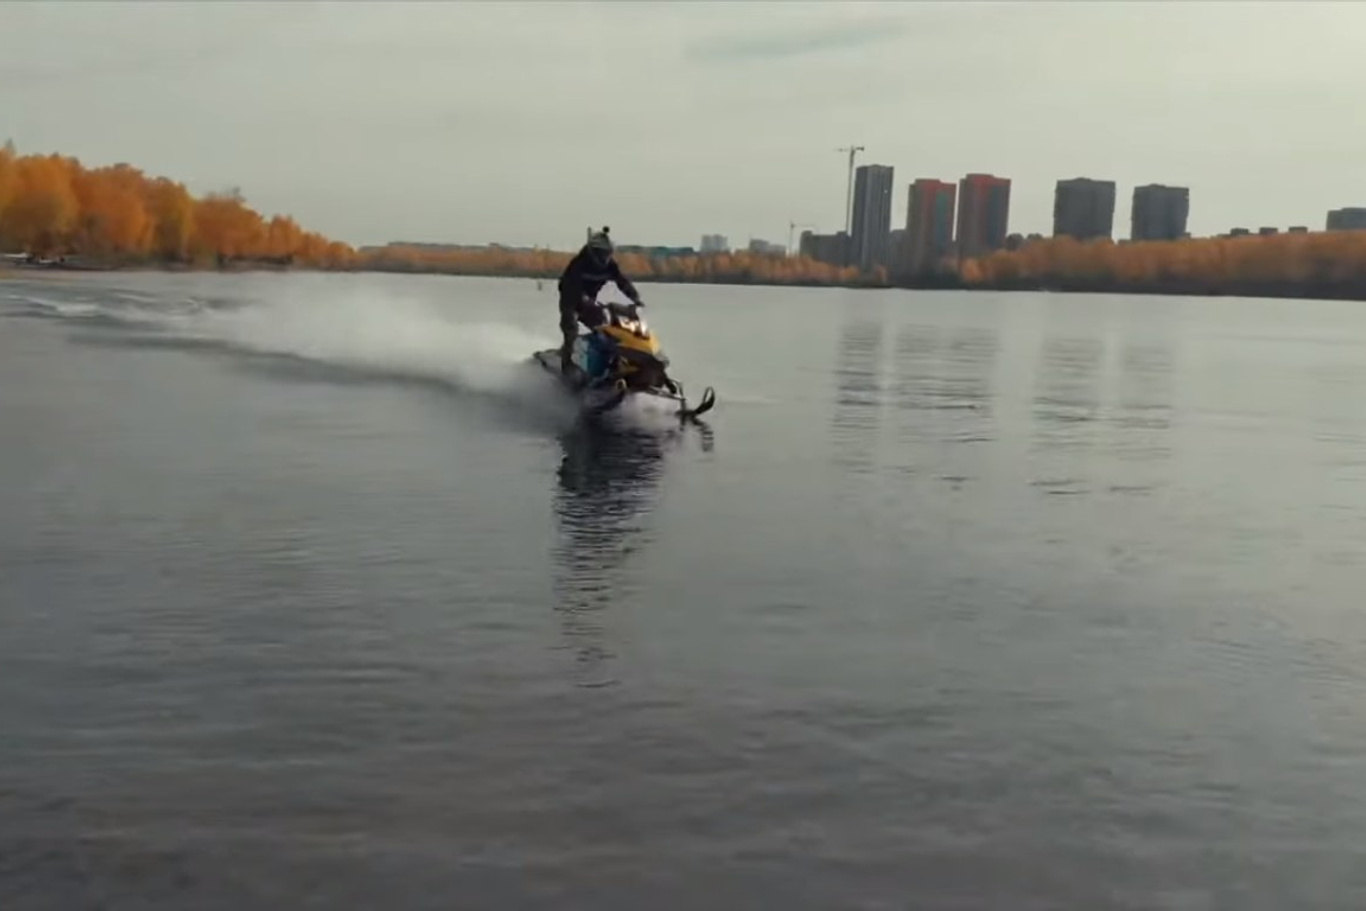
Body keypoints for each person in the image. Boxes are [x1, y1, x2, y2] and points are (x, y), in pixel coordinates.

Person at [556, 227, 643, 375]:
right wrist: (582, 298)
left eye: (607, 253)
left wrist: (635, 298)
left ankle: (610, 365)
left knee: (606, 330)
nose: (604, 257)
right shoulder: (579, 264)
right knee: (571, 329)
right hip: (570, 301)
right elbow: (570, 286)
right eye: (601, 253)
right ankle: (567, 368)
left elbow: (622, 282)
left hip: (589, 302)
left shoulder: (610, 266)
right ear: (592, 251)